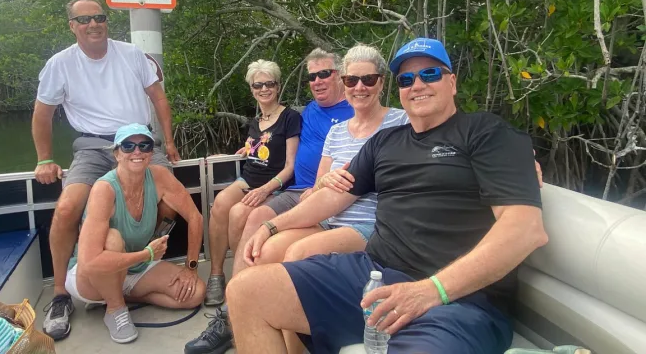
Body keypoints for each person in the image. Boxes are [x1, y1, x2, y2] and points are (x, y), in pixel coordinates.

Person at [228, 37, 549, 354]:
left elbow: (525, 230)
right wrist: (271, 227)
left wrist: (430, 290)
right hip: (374, 276)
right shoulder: (386, 142)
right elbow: (330, 198)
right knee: (246, 291)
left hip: (461, 301)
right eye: (407, 79)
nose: (417, 84)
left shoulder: (488, 133)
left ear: (452, 82)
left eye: (431, 74)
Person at [186, 48, 354, 354]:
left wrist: (277, 187)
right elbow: (267, 141)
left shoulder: (353, 108)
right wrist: (245, 150)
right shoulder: (311, 112)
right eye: (312, 76)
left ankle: (229, 315)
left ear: (341, 77)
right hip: (296, 191)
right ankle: (232, 300)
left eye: (325, 74)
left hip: (313, 194)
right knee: (241, 214)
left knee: (251, 220)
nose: (317, 81)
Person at [34, 0, 181, 340]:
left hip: (139, 143)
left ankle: (137, 260)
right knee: (68, 207)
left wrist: (168, 142)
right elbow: (42, 114)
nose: (93, 25)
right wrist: (44, 158)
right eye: (83, 20)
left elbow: (159, 98)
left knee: (171, 201)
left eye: (99, 17)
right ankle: (59, 294)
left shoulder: (131, 54)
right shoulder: (60, 64)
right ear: (72, 26)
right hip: (92, 146)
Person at [251, 44, 407, 266]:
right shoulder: (336, 132)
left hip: (370, 223)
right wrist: (324, 181)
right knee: (266, 252)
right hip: (327, 220)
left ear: (381, 82)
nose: (359, 87)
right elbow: (316, 190)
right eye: (352, 80)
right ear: (344, 83)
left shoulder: (401, 122)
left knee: (299, 253)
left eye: (368, 80)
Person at [65, 123, 205, 344]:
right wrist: (146, 255)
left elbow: (195, 218)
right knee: (112, 238)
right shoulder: (104, 189)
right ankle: (114, 307)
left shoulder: (159, 176)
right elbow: (90, 262)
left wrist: (191, 267)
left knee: (194, 293)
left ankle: (120, 295)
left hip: (134, 270)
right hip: (89, 277)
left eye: (144, 145)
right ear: (117, 154)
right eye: (128, 146)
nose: (137, 152)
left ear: (151, 152)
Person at [204, 60, 301, 306]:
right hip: (247, 178)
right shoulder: (255, 121)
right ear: (252, 88)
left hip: (275, 185)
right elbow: (256, 149)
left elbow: (291, 165)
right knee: (219, 205)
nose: (264, 89)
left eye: (270, 83)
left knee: (238, 214)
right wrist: (237, 153)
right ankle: (216, 275)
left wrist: (265, 190)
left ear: (278, 86)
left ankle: (243, 281)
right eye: (258, 84)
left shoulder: (290, 118)